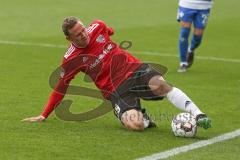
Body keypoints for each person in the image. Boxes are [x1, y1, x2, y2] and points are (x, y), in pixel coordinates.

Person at [22, 17, 211, 131]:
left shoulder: (97, 27)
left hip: (135, 70)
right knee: (135, 125)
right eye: (78, 34)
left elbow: (108, 31)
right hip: (116, 90)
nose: (84, 34)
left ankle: (198, 114)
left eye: (83, 29)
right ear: (68, 38)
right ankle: (144, 119)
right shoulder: (71, 59)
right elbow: (60, 88)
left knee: (161, 85)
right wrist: (44, 114)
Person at [177, 0, 214, 72]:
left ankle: (190, 50)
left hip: (204, 6)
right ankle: (183, 63)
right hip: (186, 4)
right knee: (184, 33)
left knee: (198, 36)